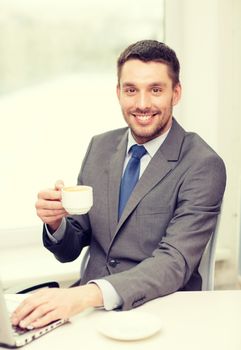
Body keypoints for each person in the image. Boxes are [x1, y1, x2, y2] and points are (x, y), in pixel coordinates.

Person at [12, 40, 226, 329]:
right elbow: (71, 247)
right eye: (131, 90)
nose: (141, 104)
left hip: (162, 311)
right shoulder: (99, 147)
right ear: (118, 93)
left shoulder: (202, 164)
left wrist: (84, 296)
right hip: (89, 310)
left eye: (155, 90)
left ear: (176, 93)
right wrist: (55, 224)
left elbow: (173, 262)